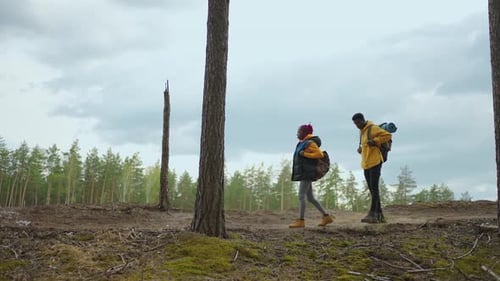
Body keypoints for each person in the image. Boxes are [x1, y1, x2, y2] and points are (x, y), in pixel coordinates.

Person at [289, 124, 334, 228]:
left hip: (307, 172)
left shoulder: (309, 143)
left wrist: (305, 154)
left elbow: (319, 154)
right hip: (305, 172)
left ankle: (301, 220)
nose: (297, 134)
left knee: (301, 196)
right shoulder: (302, 143)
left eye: (299, 131)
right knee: (310, 198)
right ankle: (326, 217)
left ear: (305, 133)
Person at [352, 113, 392, 223]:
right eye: (355, 124)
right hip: (366, 163)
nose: (357, 125)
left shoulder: (373, 128)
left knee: (374, 189)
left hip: (375, 161)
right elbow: (366, 145)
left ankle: (372, 214)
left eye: (358, 123)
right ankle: (380, 216)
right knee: (372, 190)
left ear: (362, 120)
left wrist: (375, 141)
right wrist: (362, 150)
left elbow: (388, 135)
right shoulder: (362, 132)